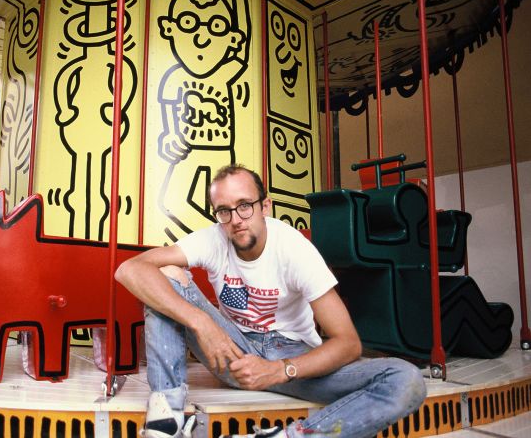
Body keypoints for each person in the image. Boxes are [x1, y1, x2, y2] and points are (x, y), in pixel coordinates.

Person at [115, 165, 426, 438]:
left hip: (293, 359)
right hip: (233, 352)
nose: (235, 219)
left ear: (265, 206)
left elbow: (348, 344)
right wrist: (202, 322)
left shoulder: (294, 250)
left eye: (245, 206)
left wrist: (278, 370)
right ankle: (165, 418)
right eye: (224, 210)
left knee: (404, 379)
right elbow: (129, 269)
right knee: (165, 273)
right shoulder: (213, 239)